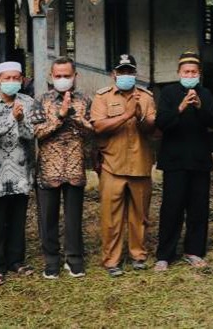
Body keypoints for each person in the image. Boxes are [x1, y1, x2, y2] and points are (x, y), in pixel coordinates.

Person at [91, 54, 156, 277]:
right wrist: (127, 115)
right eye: (122, 72)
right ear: (114, 74)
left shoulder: (146, 97)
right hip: (112, 164)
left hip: (140, 163)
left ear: (135, 74)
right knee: (111, 217)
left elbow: (153, 130)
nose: (126, 76)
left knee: (140, 216)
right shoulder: (102, 97)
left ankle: (138, 255)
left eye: (130, 72)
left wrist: (139, 118)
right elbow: (98, 126)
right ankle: (112, 260)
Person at [155, 52, 213, 271]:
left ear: (199, 74)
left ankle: (194, 251)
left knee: (198, 208)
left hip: (199, 159)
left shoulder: (206, 93)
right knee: (171, 208)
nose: (190, 75)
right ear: (179, 73)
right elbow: (162, 122)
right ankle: (165, 254)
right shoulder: (168, 93)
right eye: (186, 72)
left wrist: (200, 105)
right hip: (174, 160)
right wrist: (181, 107)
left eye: (193, 72)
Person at [31, 56, 93, 279]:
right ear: (51, 76)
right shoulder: (41, 100)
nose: (63, 79)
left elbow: (91, 131)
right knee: (48, 217)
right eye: (58, 76)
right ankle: (51, 261)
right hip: (49, 168)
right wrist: (59, 116)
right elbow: (37, 132)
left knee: (74, 217)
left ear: (75, 76)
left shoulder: (85, 100)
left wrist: (73, 116)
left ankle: (74, 259)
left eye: (67, 75)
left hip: (76, 166)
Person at [0, 62, 36, 286]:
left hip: (21, 169)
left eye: (16, 78)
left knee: (18, 217)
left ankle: (16, 260)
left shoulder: (28, 102)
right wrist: (12, 117)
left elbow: (31, 135)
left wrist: (21, 121)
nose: (12, 82)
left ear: (22, 80)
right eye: (7, 77)